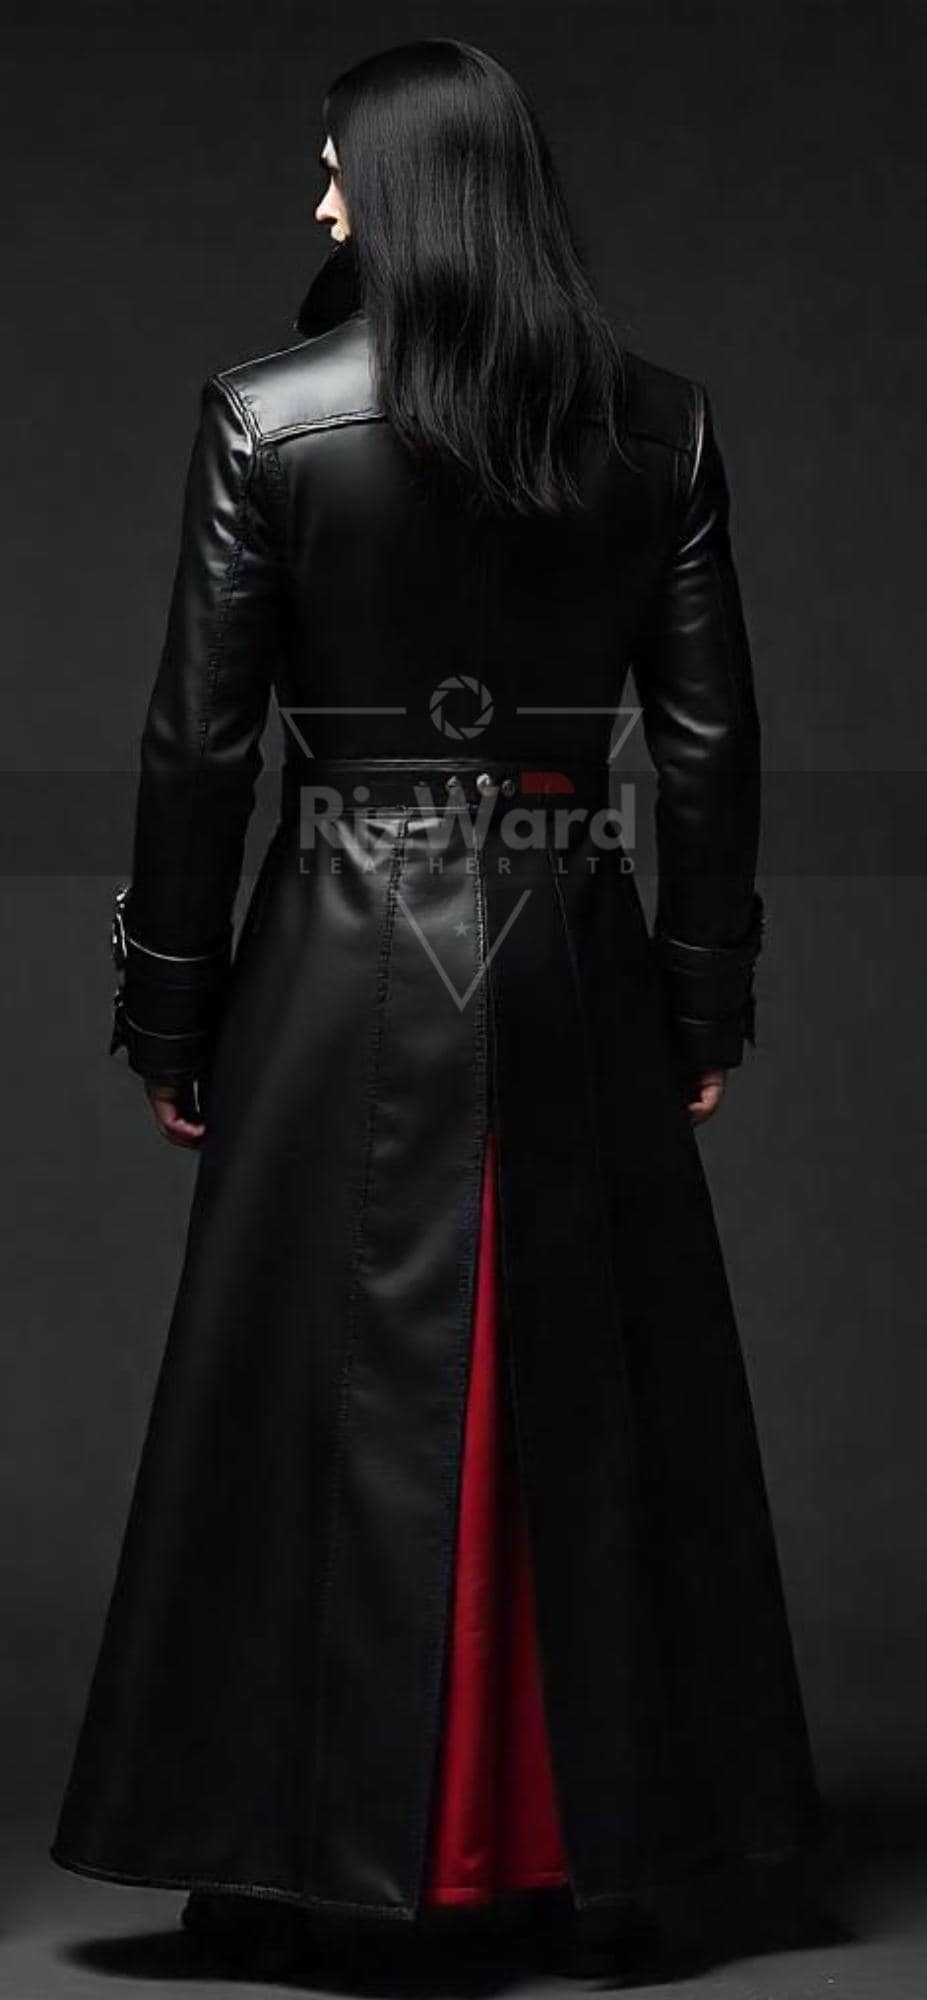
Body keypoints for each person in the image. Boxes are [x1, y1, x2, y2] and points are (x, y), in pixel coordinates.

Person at [50, 36, 824, 1982]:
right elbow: (710, 748)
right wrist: (699, 1001)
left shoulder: (266, 417)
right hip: (570, 948)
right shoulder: (658, 427)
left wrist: (170, 1012)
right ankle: (585, 1844)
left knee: (317, 1391)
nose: (316, 200)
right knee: (594, 1386)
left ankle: (312, 1845)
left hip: (338, 951)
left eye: (333, 166)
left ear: (397, 189)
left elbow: (198, 749)